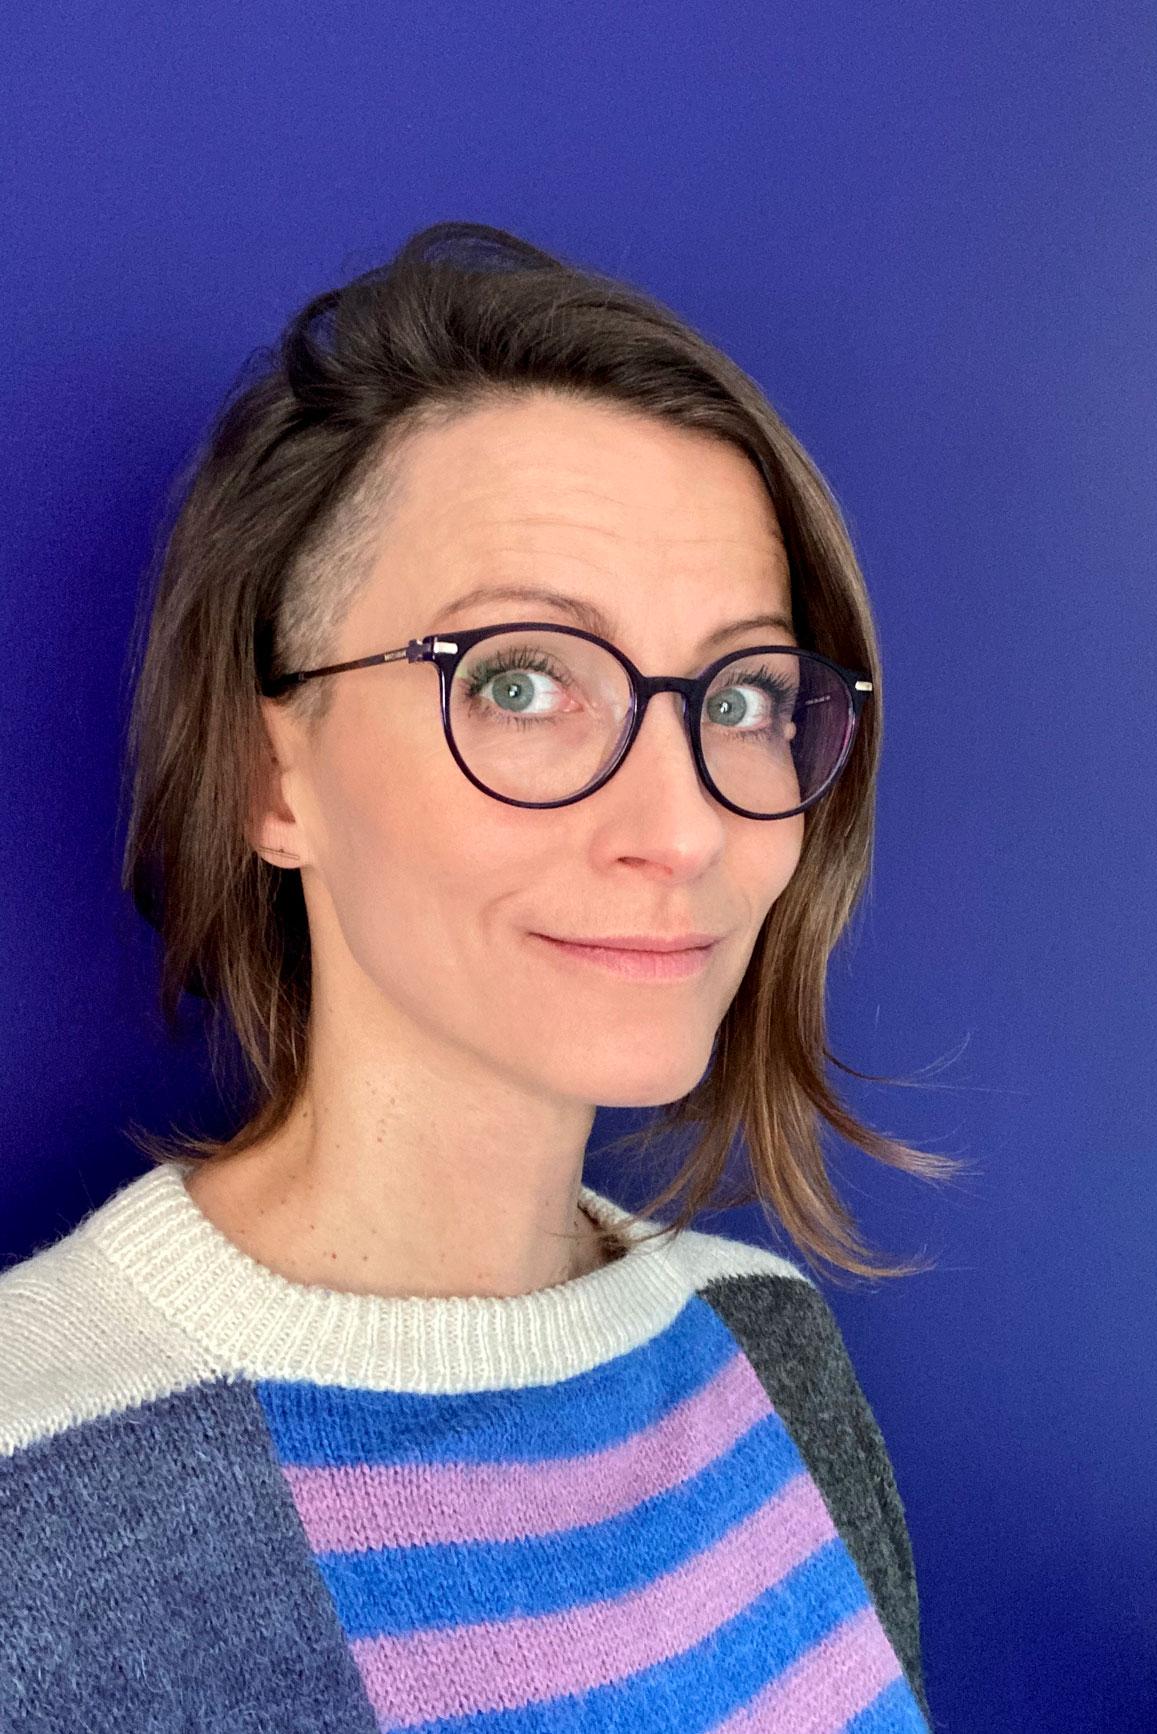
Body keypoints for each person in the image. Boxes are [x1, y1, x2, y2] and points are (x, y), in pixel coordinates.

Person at [0, 221, 962, 1730]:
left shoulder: (766, 1341)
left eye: (747, 693)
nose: (686, 826)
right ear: (271, 773)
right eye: (520, 680)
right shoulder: (31, 1496)